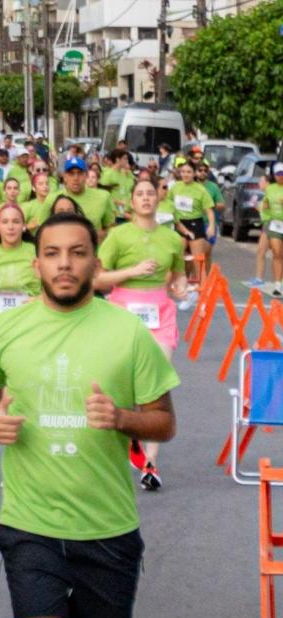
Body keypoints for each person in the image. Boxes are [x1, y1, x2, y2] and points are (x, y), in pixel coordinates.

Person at [0, 212, 179, 618]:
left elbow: (164, 422)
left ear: (96, 264)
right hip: (30, 524)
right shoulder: (5, 329)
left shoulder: (128, 331)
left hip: (106, 526)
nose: (64, 264)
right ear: (37, 265)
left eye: (77, 253)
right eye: (52, 253)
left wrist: (121, 418)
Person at [95, 179, 188, 491]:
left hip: (160, 314)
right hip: (123, 311)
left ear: (158, 199)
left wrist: (180, 286)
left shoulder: (172, 238)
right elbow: (98, 278)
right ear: (131, 201)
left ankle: (150, 463)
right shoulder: (118, 236)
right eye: (140, 194)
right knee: (125, 384)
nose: (146, 198)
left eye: (150, 193)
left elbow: (179, 275)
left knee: (156, 385)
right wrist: (132, 272)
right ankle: (130, 436)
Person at [0, 204, 39, 316]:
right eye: (5, 222)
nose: (10, 227)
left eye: (16, 222)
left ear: (24, 226)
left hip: (31, 316)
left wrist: (39, 299)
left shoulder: (38, 253)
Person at [168, 161, 216, 281]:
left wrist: (211, 226)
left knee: (197, 260)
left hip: (195, 224)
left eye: (189, 172)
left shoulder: (200, 189)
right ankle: (179, 283)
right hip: (179, 224)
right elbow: (167, 203)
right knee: (179, 258)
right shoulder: (175, 187)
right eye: (183, 172)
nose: (185, 174)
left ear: (194, 174)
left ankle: (201, 285)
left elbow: (209, 211)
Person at [59, 156, 117, 238]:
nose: (76, 178)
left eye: (80, 173)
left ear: (86, 175)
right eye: (71, 173)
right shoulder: (53, 199)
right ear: (65, 177)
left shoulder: (103, 196)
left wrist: (99, 235)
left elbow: (111, 226)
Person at [253, 163, 283, 296]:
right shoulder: (270, 189)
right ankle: (278, 285)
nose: (280, 176)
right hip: (274, 224)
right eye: (278, 174)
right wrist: (263, 206)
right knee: (277, 253)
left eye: (282, 173)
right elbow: (265, 205)